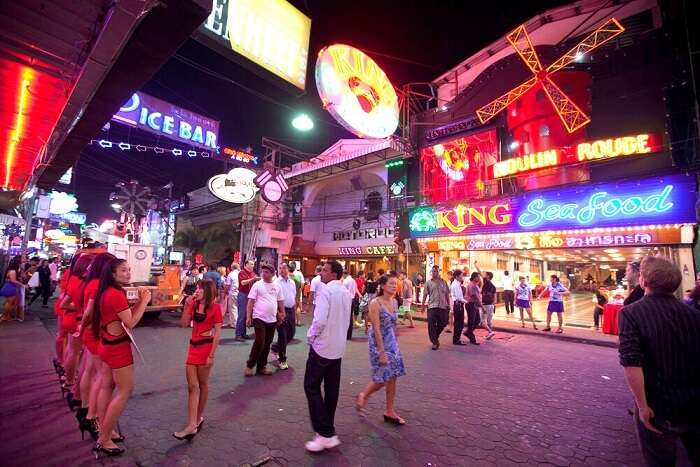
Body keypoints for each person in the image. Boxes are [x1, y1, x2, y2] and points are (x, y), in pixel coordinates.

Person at [618, 256, 700, 466]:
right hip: (693, 404)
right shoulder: (693, 314)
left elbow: (631, 363)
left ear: (643, 280)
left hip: (657, 405)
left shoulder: (630, 313)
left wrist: (642, 405)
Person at [92, 258, 151, 457]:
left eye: (129, 270)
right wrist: (144, 301)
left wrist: (138, 303)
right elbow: (131, 322)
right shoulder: (115, 294)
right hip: (117, 349)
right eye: (124, 270)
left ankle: (105, 431)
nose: (128, 273)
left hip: (106, 344)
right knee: (125, 390)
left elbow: (124, 318)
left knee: (106, 387)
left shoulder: (108, 292)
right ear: (113, 274)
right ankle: (104, 438)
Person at [303, 261, 352, 452]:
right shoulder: (346, 293)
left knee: (311, 386)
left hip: (322, 347)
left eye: (324, 270)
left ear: (334, 274)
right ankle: (327, 430)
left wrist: (311, 336)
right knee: (331, 390)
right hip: (337, 347)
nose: (321, 273)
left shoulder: (327, 292)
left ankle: (324, 432)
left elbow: (320, 320)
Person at [173, 279, 222, 441]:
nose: (197, 290)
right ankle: (192, 424)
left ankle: (197, 419)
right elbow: (184, 324)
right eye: (197, 288)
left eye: (200, 288)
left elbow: (217, 333)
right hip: (193, 348)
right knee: (192, 387)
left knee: (202, 385)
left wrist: (212, 355)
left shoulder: (215, 308)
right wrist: (187, 305)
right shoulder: (193, 304)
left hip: (206, 349)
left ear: (207, 291)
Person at [356, 273, 407, 425]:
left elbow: (395, 323)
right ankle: (364, 395)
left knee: (393, 375)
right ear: (383, 286)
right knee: (383, 376)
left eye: (396, 283)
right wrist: (382, 352)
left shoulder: (395, 302)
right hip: (378, 343)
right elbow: (376, 329)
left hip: (392, 342)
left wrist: (395, 342)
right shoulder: (375, 303)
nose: (394, 285)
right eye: (391, 283)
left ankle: (389, 411)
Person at [77, 252, 117, 441]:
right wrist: (83, 327)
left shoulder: (90, 283)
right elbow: (88, 313)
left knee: (91, 372)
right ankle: (94, 418)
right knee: (102, 380)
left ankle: (87, 411)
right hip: (95, 334)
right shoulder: (96, 286)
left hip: (90, 333)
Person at [245, 264, 284, 376]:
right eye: (263, 272)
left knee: (267, 344)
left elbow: (280, 301)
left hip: (272, 319)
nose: (264, 274)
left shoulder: (277, 286)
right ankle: (249, 365)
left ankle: (262, 367)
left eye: (267, 272)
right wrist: (248, 317)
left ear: (273, 274)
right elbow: (250, 302)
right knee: (259, 342)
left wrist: (282, 313)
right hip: (259, 318)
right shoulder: (257, 285)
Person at [274, 263, 298, 370]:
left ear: (288, 269)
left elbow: (293, 296)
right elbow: (274, 298)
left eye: (284, 268)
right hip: (280, 311)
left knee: (291, 333)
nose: (281, 270)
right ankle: (282, 360)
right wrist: (278, 313)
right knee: (282, 335)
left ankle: (275, 348)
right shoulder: (276, 282)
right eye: (280, 268)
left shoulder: (292, 282)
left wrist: (295, 307)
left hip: (291, 310)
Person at [421, 265, 450, 350]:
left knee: (444, 323)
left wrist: (448, 304)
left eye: (436, 271)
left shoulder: (443, 282)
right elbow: (425, 294)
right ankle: (435, 342)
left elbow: (446, 294)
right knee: (431, 325)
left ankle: (435, 336)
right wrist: (423, 306)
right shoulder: (428, 283)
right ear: (431, 272)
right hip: (432, 306)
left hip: (442, 306)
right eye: (433, 271)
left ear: (439, 272)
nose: (435, 273)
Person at [235, 260, 259, 341]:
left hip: (250, 296)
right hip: (243, 295)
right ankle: (238, 334)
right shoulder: (242, 272)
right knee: (241, 315)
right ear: (246, 265)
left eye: (253, 264)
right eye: (251, 264)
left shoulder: (252, 273)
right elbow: (243, 283)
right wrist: (253, 279)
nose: (253, 265)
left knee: (246, 316)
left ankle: (243, 334)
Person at [1, 255, 26, 321]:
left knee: (10, 302)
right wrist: (22, 285)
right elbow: (13, 280)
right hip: (10, 287)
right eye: (22, 259)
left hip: (9, 287)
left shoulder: (13, 270)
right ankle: (4, 316)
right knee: (9, 303)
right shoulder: (13, 271)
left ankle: (6, 315)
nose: (23, 261)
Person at [475, 263, 496, 339]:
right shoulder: (493, 286)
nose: (483, 274)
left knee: (483, 322)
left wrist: (475, 265)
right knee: (489, 321)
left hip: (485, 304)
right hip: (491, 305)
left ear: (488, 277)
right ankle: (490, 334)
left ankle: (491, 332)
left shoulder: (486, 281)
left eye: (485, 274)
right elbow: (494, 297)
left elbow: (480, 273)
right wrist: (493, 305)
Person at [449, 269, 467, 345]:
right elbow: (459, 297)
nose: (462, 277)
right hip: (458, 305)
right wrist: (467, 301)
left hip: (457, 304)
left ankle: (456, 339)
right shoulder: (456, 285)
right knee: (459, 323)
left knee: (458, 323)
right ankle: (456, 340)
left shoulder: (456, 283)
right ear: (457, 276)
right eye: (461, 275)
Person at [464, 272, 482, 345]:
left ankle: (468, 332)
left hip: (474, 305)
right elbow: (475, 297)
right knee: (472, 322)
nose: (479, 278)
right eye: (478, 277)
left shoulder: (475, 284)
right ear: (474, 277)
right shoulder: (472, 285)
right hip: (471, 304)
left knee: (477, 320)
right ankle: (472, 338)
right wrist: (481, 306)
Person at [223, 262, 240, 328]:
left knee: (233, 308)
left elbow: (228, 285)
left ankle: (234, 323)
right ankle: (235, 322)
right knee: (239, 308)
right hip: (240, 292)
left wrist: (225, 292)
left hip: (233, 293)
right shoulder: (240, 273)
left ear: (231, 268)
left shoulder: (231, 274)